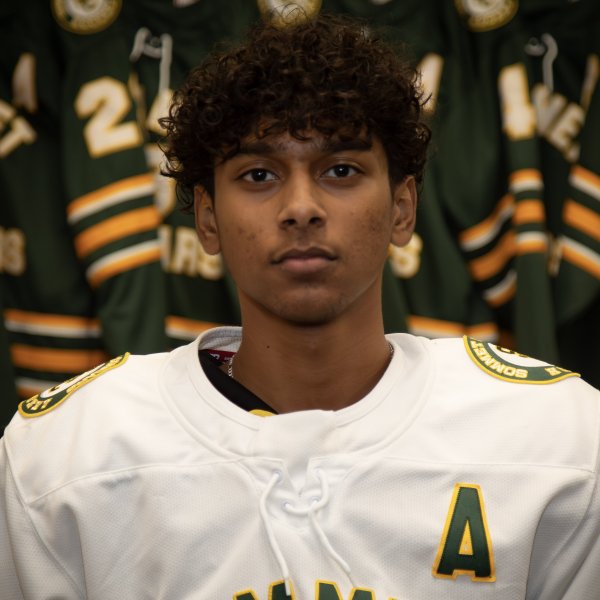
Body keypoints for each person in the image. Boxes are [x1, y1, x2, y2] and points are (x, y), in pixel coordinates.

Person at [1, 11, 599, 600]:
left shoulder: (557, 440)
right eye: (259, 175)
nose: (301, 208)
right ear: (207, 219)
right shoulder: (66, 455)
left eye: (340, 169)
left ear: (402, 209)